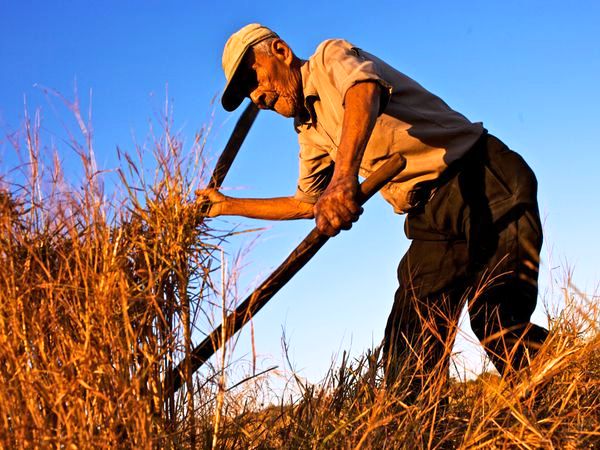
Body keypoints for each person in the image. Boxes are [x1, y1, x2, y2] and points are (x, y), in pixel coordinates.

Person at [198, 23, 548, 396]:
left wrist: (344, 177)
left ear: (281, 52)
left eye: (253, 78)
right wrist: (225, 206)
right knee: (408, 345)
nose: (257, 97)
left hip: (482, 177)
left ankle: (566, 396)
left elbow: (363, 91)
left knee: (497, 318)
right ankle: (420, 434)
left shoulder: (330, 57)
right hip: (429, 216)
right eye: (247, 93)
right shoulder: (309, 130)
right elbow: (308, 203)